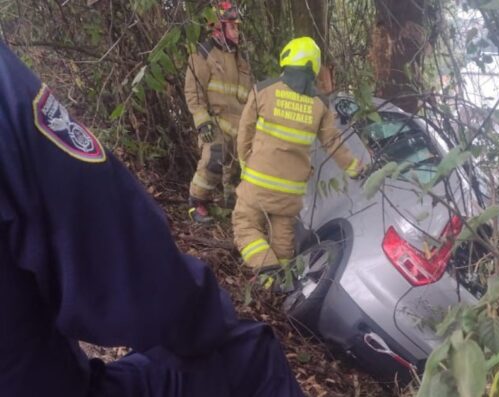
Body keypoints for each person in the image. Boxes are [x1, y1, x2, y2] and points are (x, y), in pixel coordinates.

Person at [0, 41, 304, 397]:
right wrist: (204, 315)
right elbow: (114, 252)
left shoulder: (248, 69)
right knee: (253, 354)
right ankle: (208, 211)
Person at [233, 36, 363, 271]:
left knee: (245, 225)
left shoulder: (263, 90)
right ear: (313, 66)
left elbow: (244, 134)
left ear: (287, 57)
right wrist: (355, 168)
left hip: (257, 183)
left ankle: (268, 272)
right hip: (291, 192)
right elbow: (332, 142)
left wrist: (245, 163)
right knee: (283, 238)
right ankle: (282, 280)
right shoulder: (320, 104)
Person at [185, 1, 252, 223]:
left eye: (237, 27)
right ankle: (197, 202)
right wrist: (203, 122)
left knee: (235, 171)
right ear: (218, 28)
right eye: (232, 27)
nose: (237, 32)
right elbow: (193, 92)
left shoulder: (240, 60)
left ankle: (230, 208)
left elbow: (250, 97)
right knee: (214, 159)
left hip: (238, 127)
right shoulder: (204, 55)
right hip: (215, 124)